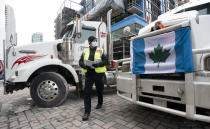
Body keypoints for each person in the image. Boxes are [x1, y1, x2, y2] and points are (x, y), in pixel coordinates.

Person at [79, 36, 108, 121]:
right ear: (89, 42)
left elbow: (106, 61)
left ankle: (100, 103)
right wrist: (84, 65)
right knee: (87, 93)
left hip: (99, 74)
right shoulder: (85, 51)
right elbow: (80, 61)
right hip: (89, 74)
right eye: (94, 41)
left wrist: (98, 64)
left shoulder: (101, 50)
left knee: (100, 89)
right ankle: (87, 112)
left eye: (96, 41)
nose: (95, 42)